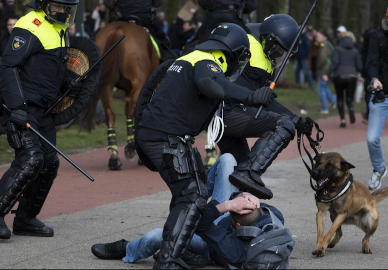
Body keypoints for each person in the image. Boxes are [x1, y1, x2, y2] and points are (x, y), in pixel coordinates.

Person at [135, 23, 278, 269]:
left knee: (190, 192)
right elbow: (210, 84)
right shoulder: (208, 62)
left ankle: (182, 248)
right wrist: (250, 96)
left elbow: (150, 90)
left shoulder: (189, 57)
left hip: (159, 135)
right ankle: (168, 259)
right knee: (193, 195)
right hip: (165, 137)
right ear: (234, 51)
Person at [91, 153, 284, 269]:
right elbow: (272, 213)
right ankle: (194, 193)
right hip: (225, 223)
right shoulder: (269, 221)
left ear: (238, 225)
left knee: (155, 237)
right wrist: (247, 195)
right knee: (227, 159)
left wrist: (227, 206)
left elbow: (199, 225)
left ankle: (127, 249)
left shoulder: (234, 251)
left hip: (209, 241)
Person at [0, 0, 83, 240]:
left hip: (44, 109)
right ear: (44, 4)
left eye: (68, 7)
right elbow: (7, 66)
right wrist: (16, 107)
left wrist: (67, 82)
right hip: (22, 106)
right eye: (58, 6)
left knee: (49, 162)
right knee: (30, 158)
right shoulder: (30, 25)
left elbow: (48, 67)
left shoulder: (60, 29)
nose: (64, 11)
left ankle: (25, 220)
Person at [218, 15, 315, 201]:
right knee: (282, 125)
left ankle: (224, 210)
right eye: (277, 49)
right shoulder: (250, 46)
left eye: (283, 52)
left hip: (230, 112)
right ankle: (249, 172)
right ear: (268, 39)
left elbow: (264, 99)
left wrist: (297, 119)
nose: (279, 55)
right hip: (226, 111)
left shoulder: (265, 58)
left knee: (236, 173)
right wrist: (291, 121)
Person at [365, 0, 388, 193]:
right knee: (371, 138)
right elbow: (371, 61)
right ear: (386, 18)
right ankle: (379, 169)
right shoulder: (376, 36)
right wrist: (374, 79)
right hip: (382, 94)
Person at [109, 0, 175, 61]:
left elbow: (109, 4)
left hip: (121, 16)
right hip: (144, 17)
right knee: (163, 42)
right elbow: (157, 3)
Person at [324, 31, 363, 128]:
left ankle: (343, 120)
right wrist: (363, 75)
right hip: (352, 76)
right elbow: (359, 66)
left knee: (340, 98)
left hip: (339, 76)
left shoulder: (337, 49)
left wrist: (327, 74)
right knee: (349, 97)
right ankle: (351, 108)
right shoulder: (355, 51)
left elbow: (335, 63)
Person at [315, 31, 337, 114]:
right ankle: (335, 101)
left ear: (324, 36)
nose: (316, 38)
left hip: (324, 70)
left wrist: (318, 66)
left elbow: (322, 58)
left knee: (321, 89)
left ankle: (325, 108)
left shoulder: (324, 45)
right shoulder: (327, 44)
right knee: (324, 88)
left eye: (317, 36)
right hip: (328, 70)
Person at [294, 24, 314, 90]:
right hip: (298, 57)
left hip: (304, 58)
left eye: (302, 28)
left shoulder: (305, 37)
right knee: (297, 71)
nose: (301, 30)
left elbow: (308, 48)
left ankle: (311, 86)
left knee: (306, 72)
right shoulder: (298, 37)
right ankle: (297, 85)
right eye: (299, 28)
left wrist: (302, 54)